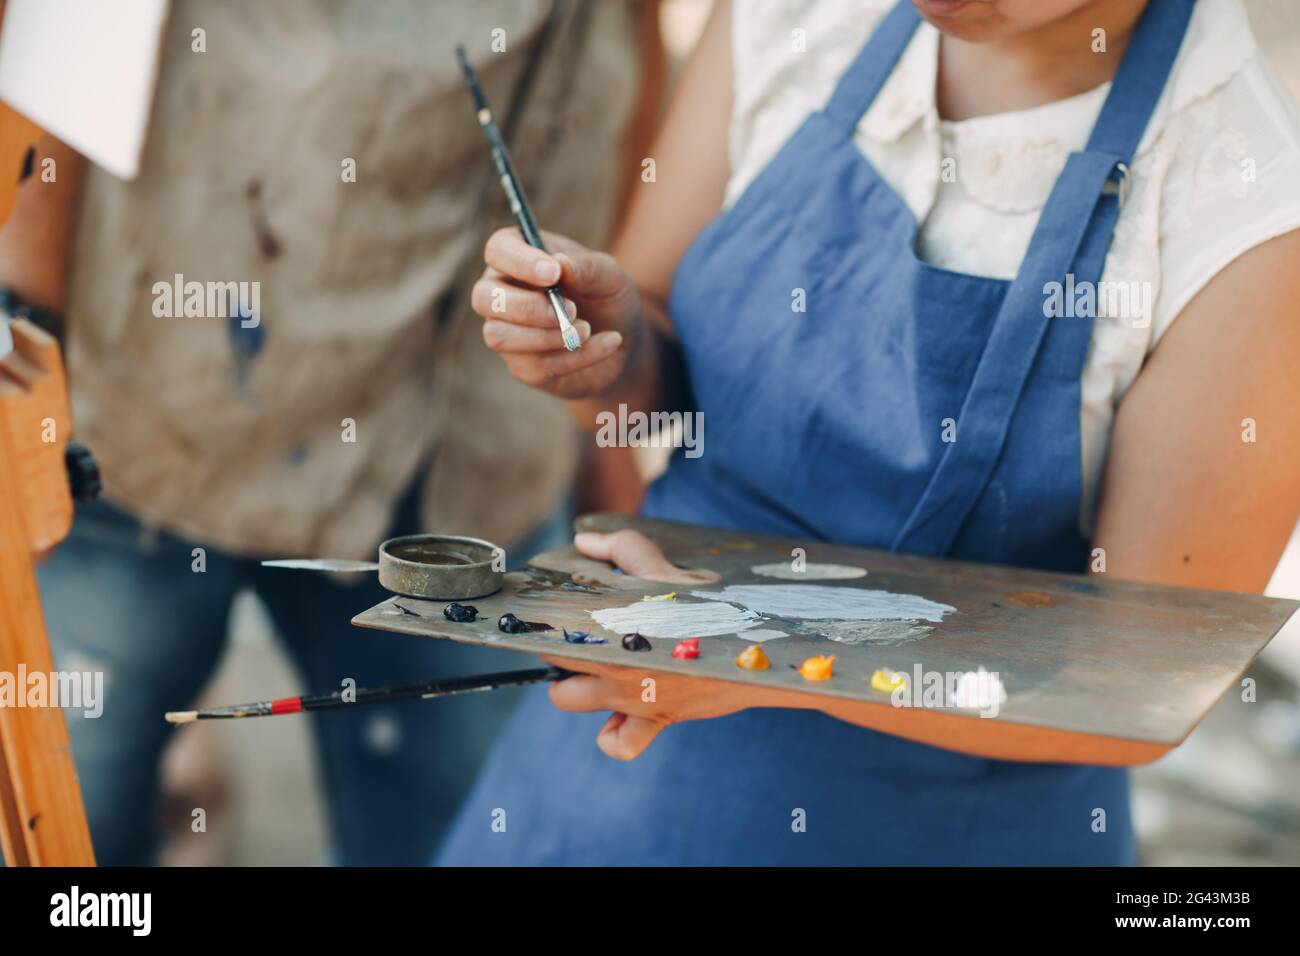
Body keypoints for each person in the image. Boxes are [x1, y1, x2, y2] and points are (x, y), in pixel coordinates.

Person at [436, 0, 1300, 864]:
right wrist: (615, 364)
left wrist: (748, 648)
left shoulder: (1245, 202)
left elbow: (1141, 681)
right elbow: (659, 375)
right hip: (615, 779)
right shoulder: (796, 19)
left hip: (939, 824)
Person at [0, 0, 654, 864]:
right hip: (158, 420)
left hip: (473, 463)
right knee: (76, 838)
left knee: (468, 839)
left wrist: (606, 445)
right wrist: (24, 340)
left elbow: (629, 60)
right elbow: (61, 38)